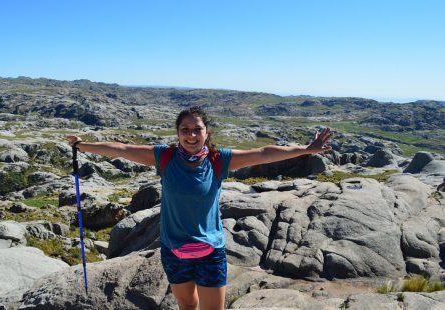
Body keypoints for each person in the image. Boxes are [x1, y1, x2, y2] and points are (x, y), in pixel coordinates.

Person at [67, 106, 333, 310]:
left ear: (207, 132)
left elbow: (264, 153)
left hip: (210, 251)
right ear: (177, 133)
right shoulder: (165, 156)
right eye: (185, 129)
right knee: (187, 306)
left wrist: (305, 150)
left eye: (197, 130)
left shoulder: (219, 160)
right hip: (174, 250)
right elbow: (121, 149)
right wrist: (82, 145)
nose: (191, 135)